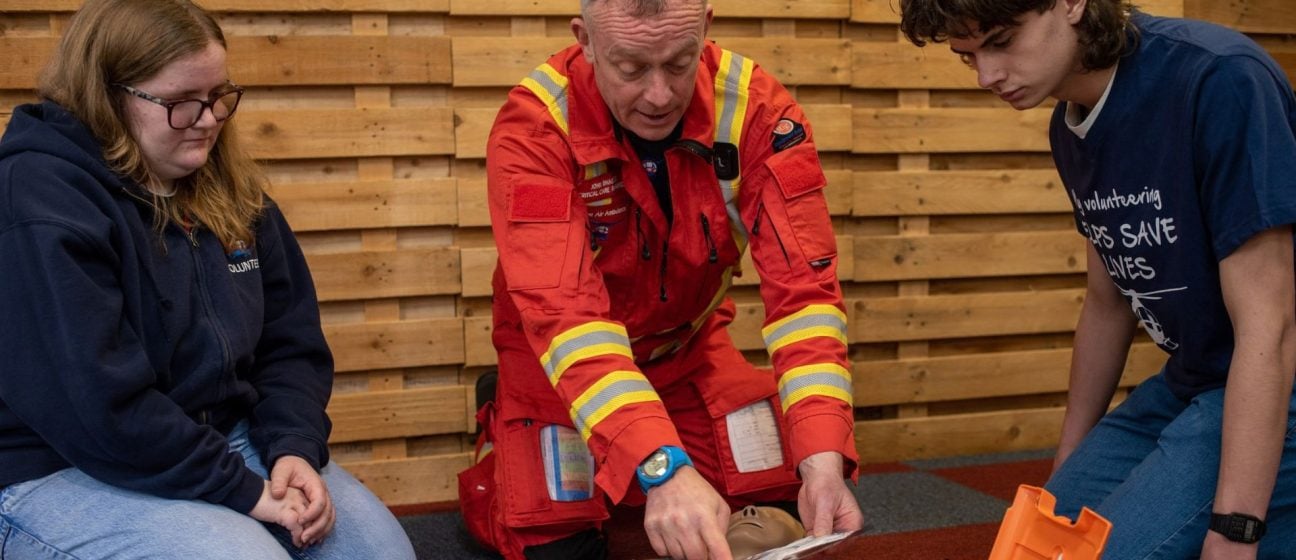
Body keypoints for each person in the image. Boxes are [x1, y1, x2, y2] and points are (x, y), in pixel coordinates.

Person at [0, 1, 415, 558]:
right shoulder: (41, 196)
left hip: (219, 438)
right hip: (60, 463)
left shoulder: (231, 189)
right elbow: (98, 406)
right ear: (107, 95)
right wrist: (243, 492)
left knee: (379, 551)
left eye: (219, 95)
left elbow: (289, 346)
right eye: (179, 103)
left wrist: (292, 446)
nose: (209, 119)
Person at [459, 0, 863, 558]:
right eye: (630, 68)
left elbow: (805, 300)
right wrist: (662, 465)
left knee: (790, 494)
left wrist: (823, 456)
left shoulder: (759, 113)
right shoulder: (534, 128)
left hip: (688, 349)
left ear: (706, 29)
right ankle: (503, 426)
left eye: (679, 63)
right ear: (587, 40)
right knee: (548, 536)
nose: (659, 95)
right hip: (558, 362)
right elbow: (567, 319)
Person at [899, 0, 1296, 558]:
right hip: (1197, 379)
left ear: (1070, 4)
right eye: (967, 58)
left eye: (1001, 42)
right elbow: (1107, 303)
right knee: (1038, 543)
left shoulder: (1220, 78)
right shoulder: (1069, 126)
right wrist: (1071, 468)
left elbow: (1271, 325)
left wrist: (1236, 528)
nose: (988, 77)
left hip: (1280, 377)